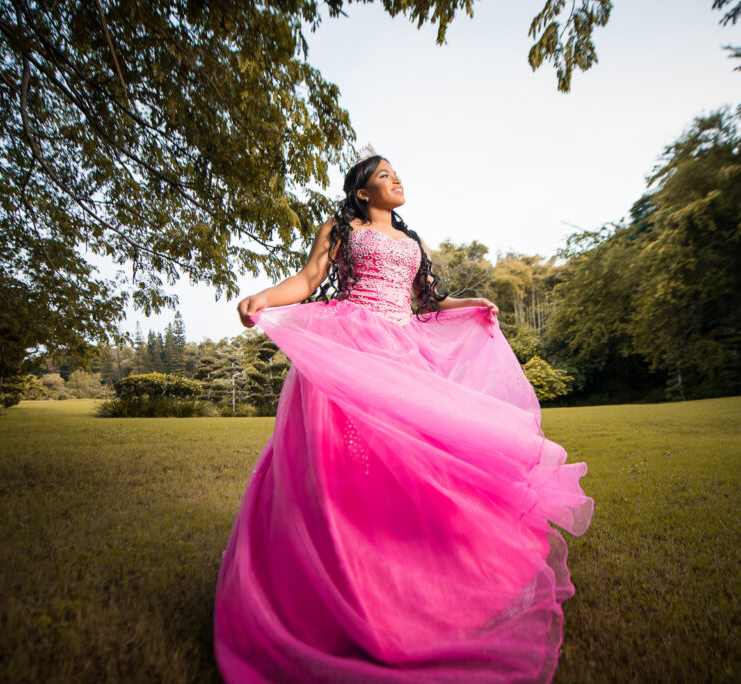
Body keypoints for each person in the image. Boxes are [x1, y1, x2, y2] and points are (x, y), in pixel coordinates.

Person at [214, 154, 593, 683]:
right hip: (352, 344)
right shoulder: (340, 226)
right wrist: (264, 297)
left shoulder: (412, 243)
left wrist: (470, 305)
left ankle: (420, 577)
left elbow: (427, 301)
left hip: (403, 352)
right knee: (342, 464)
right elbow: (309, 278)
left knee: (413, 463)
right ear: (363, 192)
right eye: (384, 174)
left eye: (397, 173)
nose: (396, 179)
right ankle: (345, 578)